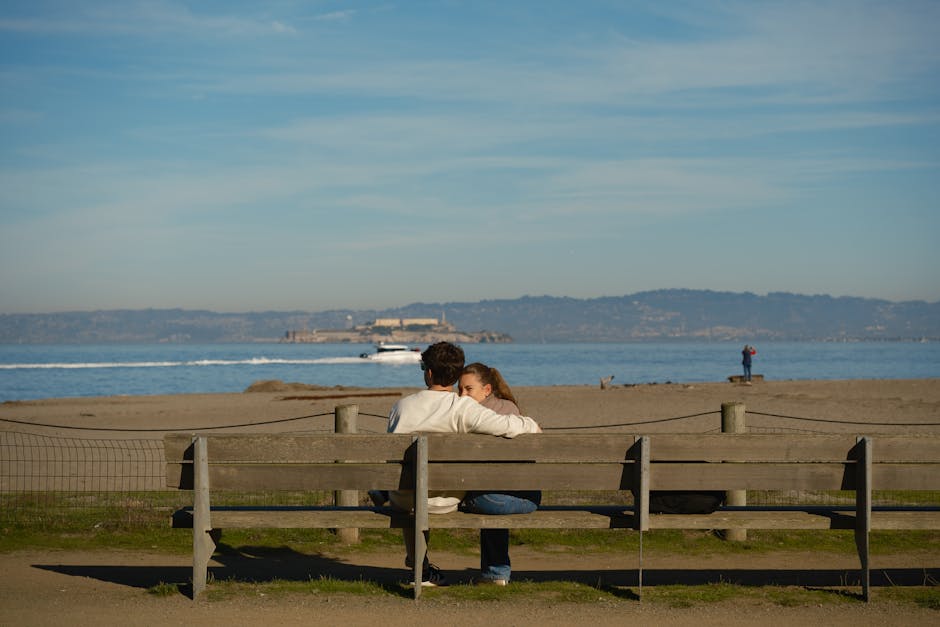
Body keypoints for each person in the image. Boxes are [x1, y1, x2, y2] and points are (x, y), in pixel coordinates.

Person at [386, 342, 542, 588]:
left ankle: (421, 569)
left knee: (414, 491)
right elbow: (507, 425)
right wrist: (530, 425)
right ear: (457, 375)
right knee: (435, 493)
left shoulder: (401, 407)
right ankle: (489, 571)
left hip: (403, 498)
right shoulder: (463, 407)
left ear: (428, 373)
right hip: (445, 499)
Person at [457, 362, 542, 586]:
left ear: (486, 390)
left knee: (482, 497)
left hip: (504, 495)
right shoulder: (509, 408)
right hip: (530, 494)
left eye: (468, 389)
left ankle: (496, 573)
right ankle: (495, 573)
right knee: (488, 493)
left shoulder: (474, 416)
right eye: (460, 389)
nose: (462, 395)